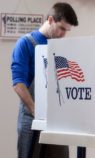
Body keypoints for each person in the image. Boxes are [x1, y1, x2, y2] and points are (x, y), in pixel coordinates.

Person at [11, 2, 78, 158]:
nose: (64, 34)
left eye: (67, 31)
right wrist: (36, 111)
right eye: (62, 28)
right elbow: (18, 83)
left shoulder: (60, 48)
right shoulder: (25, 43)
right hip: (30, 117)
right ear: (50, 20)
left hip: (57, 119)